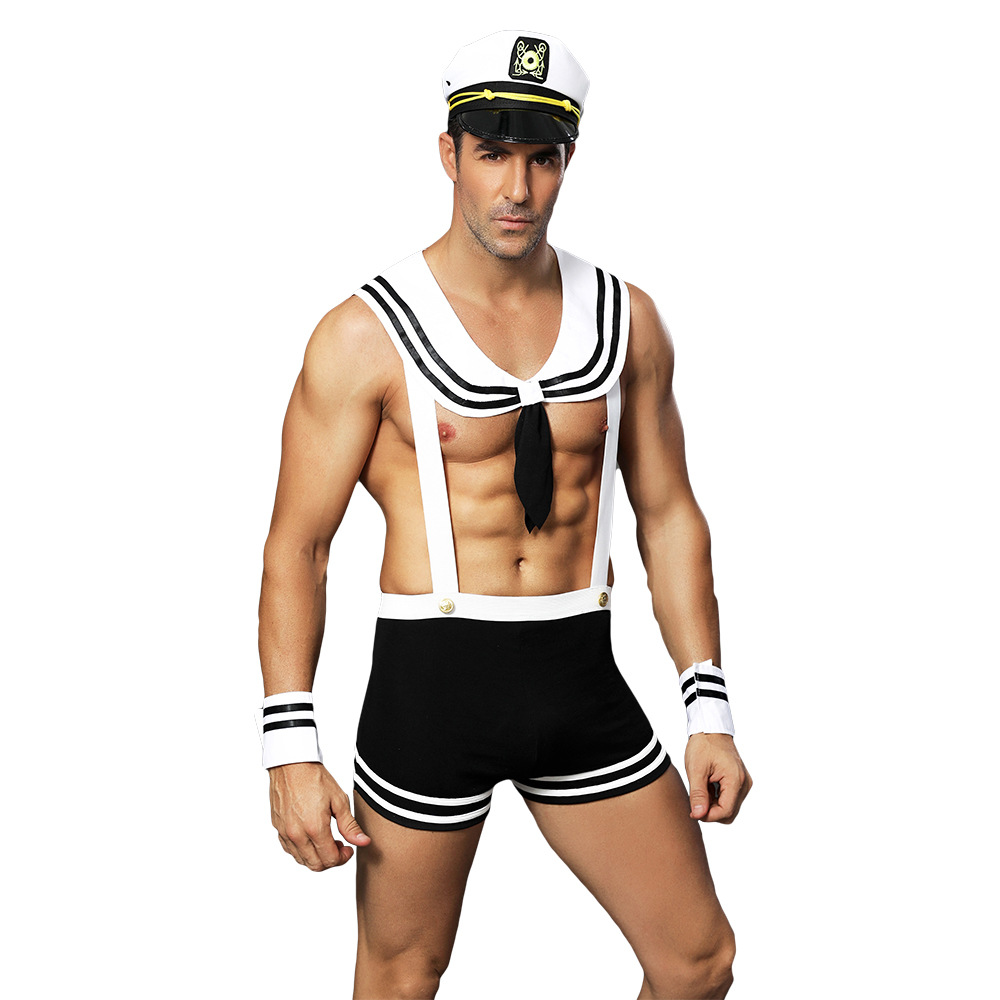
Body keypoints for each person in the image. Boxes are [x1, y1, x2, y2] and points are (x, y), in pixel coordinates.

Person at [258, 29, 752, 1000]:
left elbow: (669, 516)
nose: (517, 189)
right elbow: (298, 547)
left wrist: (709, 708)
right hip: (431, 688)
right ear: (449, 155)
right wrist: (289, 749)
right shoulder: (364, 334)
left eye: (543, 158)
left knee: (697, 963)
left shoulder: (626, 319)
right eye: (492, 155)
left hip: (579, 676)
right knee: (402, 976)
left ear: (569, 160)